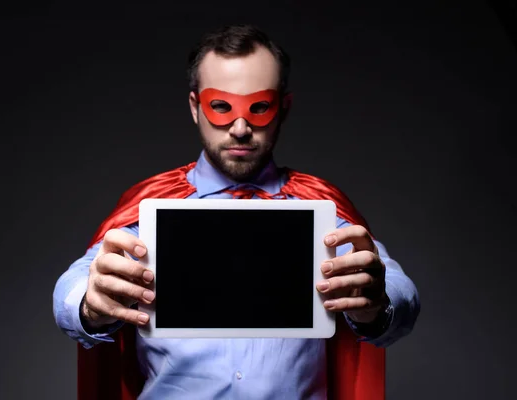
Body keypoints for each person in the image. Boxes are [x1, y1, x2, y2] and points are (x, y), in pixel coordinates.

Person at [53, 24, 420, 400]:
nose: (240, 128)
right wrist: (89, 303)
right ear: (196, 107)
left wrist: (376, 305)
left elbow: (397, 294)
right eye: (221, 107)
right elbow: (77, 284)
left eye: (259, 107)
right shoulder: (151, 207)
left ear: (284, 108)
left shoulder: (321, 210)